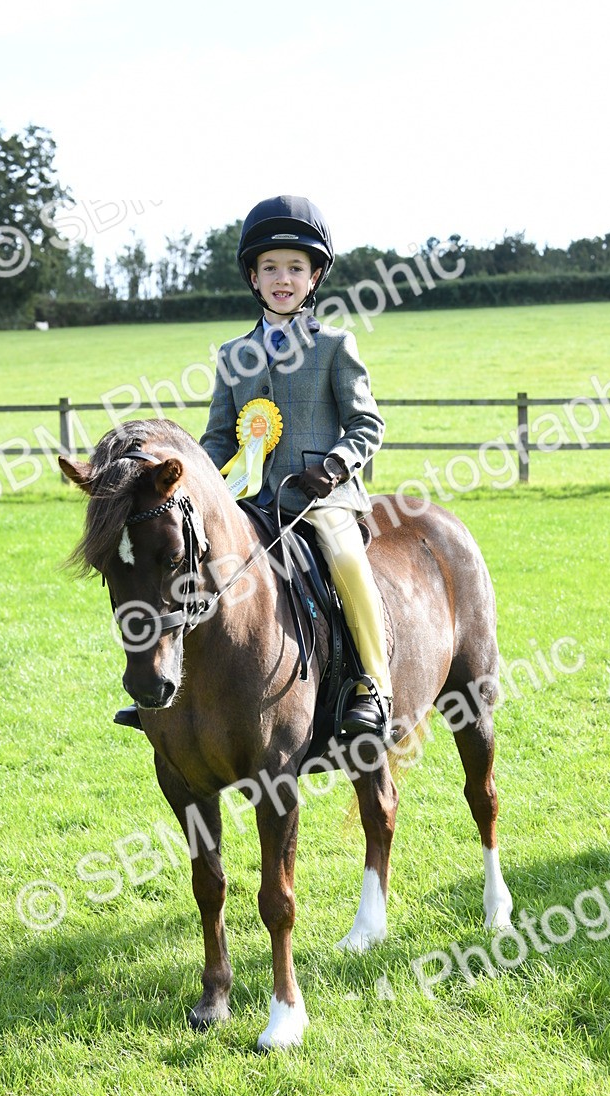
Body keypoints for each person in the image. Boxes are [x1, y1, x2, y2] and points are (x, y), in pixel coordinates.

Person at [199, 195, 392, 736]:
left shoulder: (335, 346)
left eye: (295, 268)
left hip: (321, 498)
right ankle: (181, 687)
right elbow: (217, 437)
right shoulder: (233, 355)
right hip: (250, 499)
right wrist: (200, 484)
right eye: (270, 268)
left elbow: (367, 425)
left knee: (346, 561)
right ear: (254, 279)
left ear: (314, 277)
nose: (282, 278)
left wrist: (333, 467)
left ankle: (373, 686)